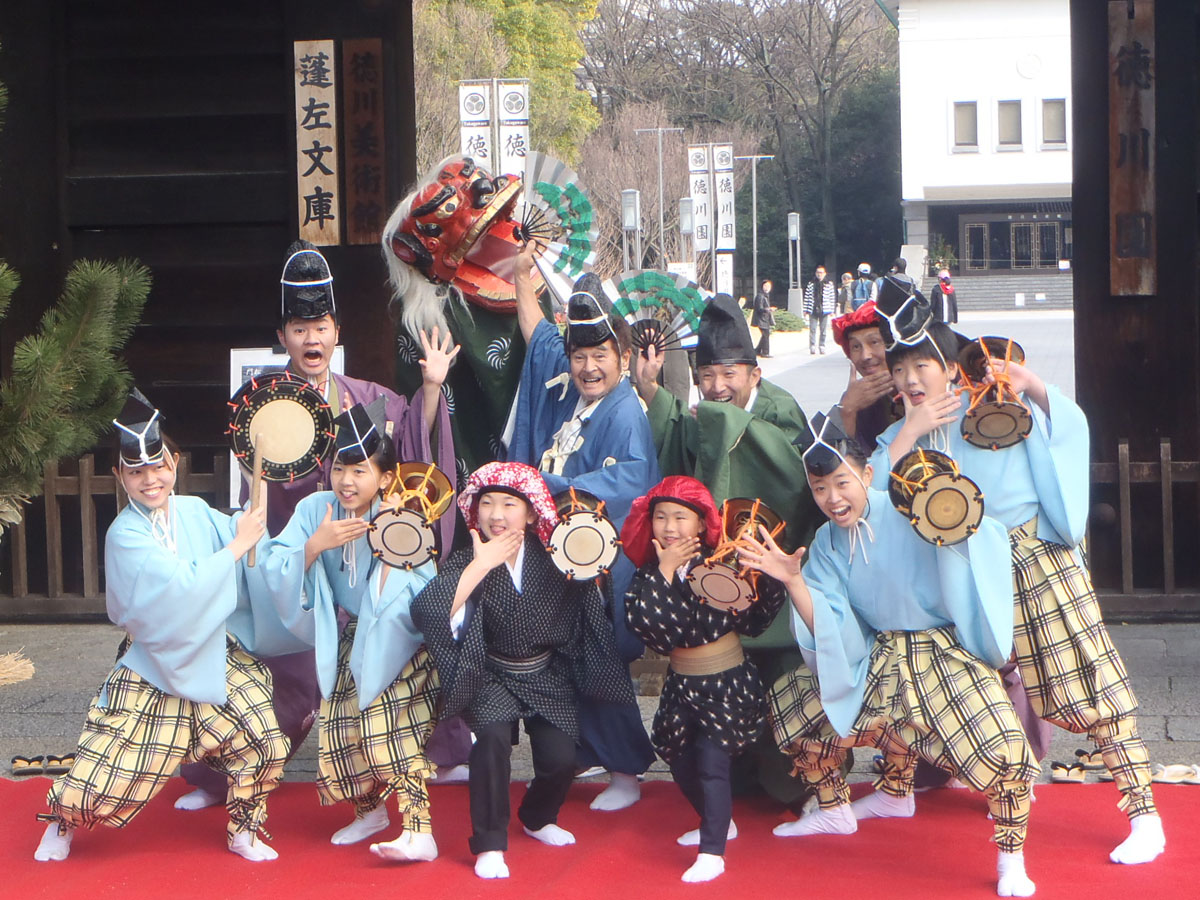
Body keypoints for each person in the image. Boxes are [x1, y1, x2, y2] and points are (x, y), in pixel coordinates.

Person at [176, 240, 468, 812]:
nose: (313, 339)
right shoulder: (263, 405)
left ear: (337, 331)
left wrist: (431, 388)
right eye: (300, 328)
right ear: (282, 337)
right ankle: (226, 772)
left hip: (365, 569)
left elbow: (410, 450)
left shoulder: (370, 400)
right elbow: (255, 494)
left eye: (322, 325)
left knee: (404, 644)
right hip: (299, 574)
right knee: (284, 683)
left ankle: (442, 753)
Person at [871, 319, 1165, 865]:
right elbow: (865, 501)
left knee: (1088, 682)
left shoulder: (991, 404)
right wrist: (908, 434)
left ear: (950, 368)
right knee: (927, 676)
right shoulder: (898, 434)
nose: (910, 379)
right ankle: (899, 789)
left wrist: (1031, 386)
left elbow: (1065, 431)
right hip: (956, 574)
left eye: (921, 366)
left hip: (1032, 560)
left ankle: (1144, 811)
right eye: (900, 369)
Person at [739, 413, 1039, 898]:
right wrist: (793, 581)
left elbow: (975, 531)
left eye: (842, 482)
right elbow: (831, 623)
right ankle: (842, 808)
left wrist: (954, 519)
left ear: (868, 474)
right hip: (878, 651)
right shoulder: (826, 542)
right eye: (819, 488)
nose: (833, 498)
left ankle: (1011, 856)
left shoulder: (909, 508)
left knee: (999, 746)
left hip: (940, 649)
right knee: (793, 702)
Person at [35, 392, 287, 863]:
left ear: (175, 463)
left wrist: (268, 540)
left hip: (212, 653)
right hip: (155, 663)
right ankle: (62, 821)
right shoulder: (125, 534)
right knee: (111, 773)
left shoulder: (193, 510)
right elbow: (180, 589)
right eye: (136, 472)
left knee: (264, 739)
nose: (150, 480)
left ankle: (244, 828)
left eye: (158, 467)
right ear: (119, 476)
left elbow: (247, 539)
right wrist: (236, 548)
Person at [634, 293, 824, 807]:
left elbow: (791, 478)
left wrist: (717, 421)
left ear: (755, 373)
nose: (717, 387)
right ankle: (730, 786)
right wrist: (653, 390)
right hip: (716, 591)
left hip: (772, 584)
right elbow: (680, 446)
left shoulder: (780, 408)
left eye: (729, 373)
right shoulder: (705, 410)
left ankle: (793, 785)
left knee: (780, 690)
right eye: (706, 374)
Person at [411, 462, 635, 880]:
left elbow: (589, 603)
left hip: (545, 671)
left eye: (509, 504)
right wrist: (480, 566)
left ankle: (537, 816)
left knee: (561, 760)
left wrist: (593, 572)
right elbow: (426, 611)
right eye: (487, 504)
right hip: (491, 672)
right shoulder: (465, 559)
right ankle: (490, 842)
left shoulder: (555, 556)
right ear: (473, 512)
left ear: (532, 513)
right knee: (491, 746)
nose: (496, 514)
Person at [250, 399, 443, 862]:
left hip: (403, 641)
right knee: (339, 727)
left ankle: (421, 829)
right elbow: (277, 565)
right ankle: (370, 811)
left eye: (360, 471)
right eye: (341, 469)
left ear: (384, 476)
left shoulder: (402, 513)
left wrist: (391, 538)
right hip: (354, 634)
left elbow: (423, 589)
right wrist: (313, 547)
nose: (347, 482)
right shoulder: (317, 508)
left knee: (385, 728)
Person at [507, 243, 659, 811]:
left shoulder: (624, 412)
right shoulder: (570, 392)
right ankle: (580, 755)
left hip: (602, 563)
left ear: (621, 354)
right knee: (567, 661)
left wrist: (544, 489)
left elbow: (634, 482)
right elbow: (540, 338)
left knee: (599, 662)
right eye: (579, 357)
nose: (588, 367)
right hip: (562, 555)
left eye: (600, 355)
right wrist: (524, 281)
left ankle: (626, 771)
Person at [623, 476, 786, 883]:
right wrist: (663, 570)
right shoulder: (647, 572)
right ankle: (718, 820)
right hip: (682, 682)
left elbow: (755, 621)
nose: (670, 526)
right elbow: (651, 631)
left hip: (727, 680)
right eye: (661, 516)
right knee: (677, 756)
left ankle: (713, 850)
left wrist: (763, 575)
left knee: (713, 763)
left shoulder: (722, 563)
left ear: (701, 524)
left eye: (681, 516)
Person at [831, 301, 898, 456]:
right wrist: (848, 410)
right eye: (856, 346)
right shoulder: (855, 398)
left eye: (874, 342)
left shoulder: (920, 388)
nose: (865, 356)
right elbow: (837, 466)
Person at [802, 265, 837, 355]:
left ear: (824, 274)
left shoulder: (829, 284)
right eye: (818, 272)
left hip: (825, 309)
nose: (819, 274)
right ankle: (812, 346)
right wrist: (805, 310)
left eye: (821, 272)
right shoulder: (811, 284)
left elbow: (831, 298)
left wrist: (832, 310)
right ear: (815, 273)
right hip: (812, 309)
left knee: (823, 329)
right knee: (812, 329)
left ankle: (822, 345)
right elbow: (807, 297)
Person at [750, 279, 775, 357]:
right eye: (765, 286)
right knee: (765, 335)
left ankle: (757, 351)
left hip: (764, 319)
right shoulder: (760, 296)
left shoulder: (765, 295)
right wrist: (769, 309)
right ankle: (765, 352)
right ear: (762, 286)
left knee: (765, 335)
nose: (767, 288)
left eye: (769, 286)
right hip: (761, 319)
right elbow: (759, 309)